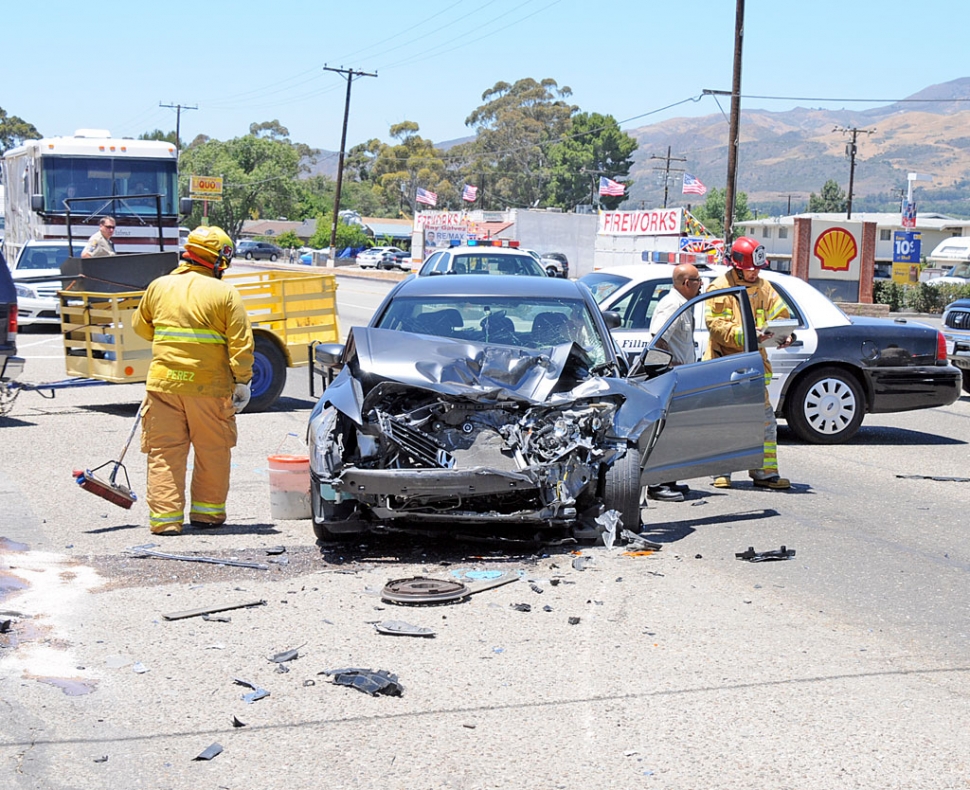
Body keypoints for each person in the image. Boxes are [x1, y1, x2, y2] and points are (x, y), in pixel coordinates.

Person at [132, 226, 255, 535]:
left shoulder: (159, 286)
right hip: (209, 389)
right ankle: (207, 515)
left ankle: (165, 521)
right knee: (212, 451)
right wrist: (242, 381)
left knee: (164, 452)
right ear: (218, 261)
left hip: (164, 386)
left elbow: (141, 328)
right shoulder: (225, 293)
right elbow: (242, 345)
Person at [704, 236, 792, 490]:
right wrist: (752, 335)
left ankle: (765, 472)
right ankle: (722, 472)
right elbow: (717, 327)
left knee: (765, 421)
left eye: (757, 268)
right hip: (724, 365)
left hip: (755, 366)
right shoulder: (720, 287)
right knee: (727, 421)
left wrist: (785, 336)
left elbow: (780, 316)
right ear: (736, 264)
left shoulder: (765, 287)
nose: (754, 272)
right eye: (750, 268)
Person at [645, 263, 703, 502]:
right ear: (686, 283)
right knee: (665, 431)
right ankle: (657, 484)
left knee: (676, 430)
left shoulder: (684, 305)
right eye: (698, 280)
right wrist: (671, 367)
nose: (702, 284)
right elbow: (657, 340)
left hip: (681, 379)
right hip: (670, 379)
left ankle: (669, 479)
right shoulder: (672, 304)